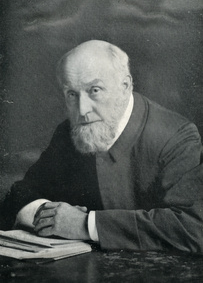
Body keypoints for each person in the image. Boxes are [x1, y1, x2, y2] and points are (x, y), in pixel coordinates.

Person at [2, 40, 203, 252]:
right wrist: (49, 215)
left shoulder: (177, 136)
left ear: (125, 86)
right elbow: (22, 193)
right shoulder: (70, 132)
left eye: (94, 90)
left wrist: (84, 224)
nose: (82, 110)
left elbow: (194, 227)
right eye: (72, 94)